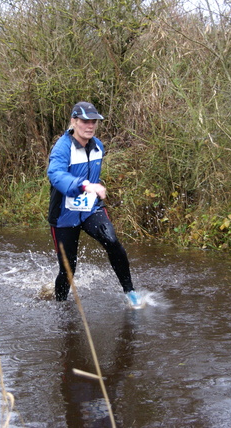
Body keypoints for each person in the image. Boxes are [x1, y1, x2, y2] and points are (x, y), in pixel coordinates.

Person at [47, 101, 142, 308]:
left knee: (112, 242)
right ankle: (60, 307)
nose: (90, 126)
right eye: (84, 121)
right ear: (74, 121)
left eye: (94, 122)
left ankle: (131, 293)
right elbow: (55, 175)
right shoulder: (62, 148)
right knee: (68, 267)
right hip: (64, 214)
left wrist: (92, 191)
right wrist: (84, 185)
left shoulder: (98, 146)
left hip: (90, 209)